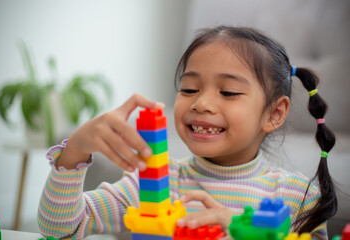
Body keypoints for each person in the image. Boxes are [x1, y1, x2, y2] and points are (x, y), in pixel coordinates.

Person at [37, 26, 337, 239]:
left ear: (274, 113)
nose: (201, 103)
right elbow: (61, 229)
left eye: (229, 92)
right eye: (189, 88)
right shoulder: (153, 184)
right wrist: (74, 151)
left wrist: (246, 229)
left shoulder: (297, 198)